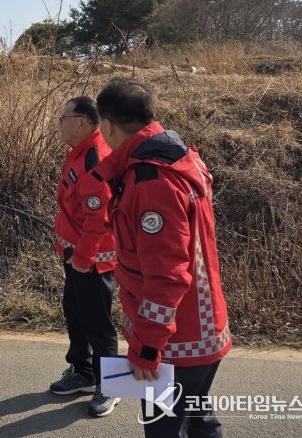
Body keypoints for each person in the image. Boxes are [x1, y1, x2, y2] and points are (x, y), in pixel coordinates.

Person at [93, 79, 231, 437]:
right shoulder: (178, 156)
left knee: (165, 430)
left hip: (177, 340)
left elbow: (166, 275)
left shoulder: (151, 181)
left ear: (108, 125)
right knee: (198, 423)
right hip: (201, 328)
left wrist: (147, 346)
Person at [51, 96, 120, 418]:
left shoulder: (95, 159)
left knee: (97, 323)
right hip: (75, 255)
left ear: (82, 122)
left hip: (92, 259)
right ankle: (83, 371)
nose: (59, 124)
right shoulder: (78, 154)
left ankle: (113, 386)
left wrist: (83, 256)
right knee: (75, 313)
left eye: (63, 118)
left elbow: (99, 218)